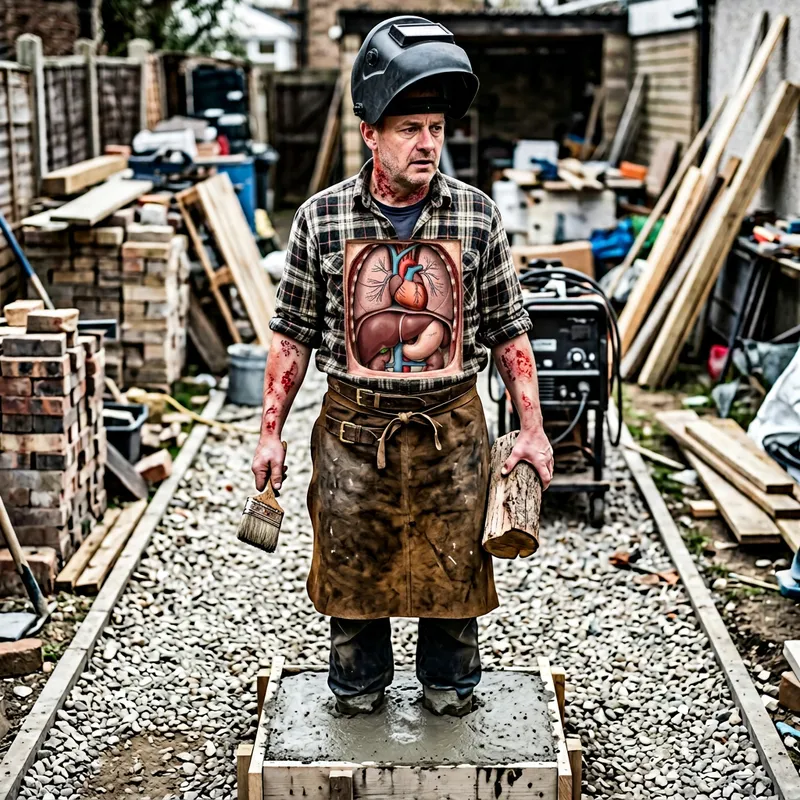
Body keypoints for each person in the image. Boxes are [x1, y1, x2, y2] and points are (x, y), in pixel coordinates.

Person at [251, 15, 553, 717]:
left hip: (452, 430)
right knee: (354, 571)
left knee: (455, 570)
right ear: (370, 134)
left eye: (436, 129)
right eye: (410, 128)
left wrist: (532, 430)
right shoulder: (322, 219)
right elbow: (292, 335)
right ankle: (358, 696)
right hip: (355, 435)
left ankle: (450, 691)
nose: (427, 144)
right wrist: (269, 432)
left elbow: (509, 330)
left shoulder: (476, 216)